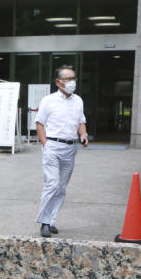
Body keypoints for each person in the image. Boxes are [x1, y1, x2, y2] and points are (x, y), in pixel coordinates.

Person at [35, 65, 89, 238]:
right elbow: (40, 123)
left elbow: (81, 121)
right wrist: (45, 144)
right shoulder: (48, 100)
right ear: (58, 82)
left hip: (70, 147)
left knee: (61, 187)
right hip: (52, 146)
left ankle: (51, 220)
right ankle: (44, 222)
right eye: (68, 79)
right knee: (52, 183)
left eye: (74, 78)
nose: (72, 82)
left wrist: (83, 134)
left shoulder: (78, 100)